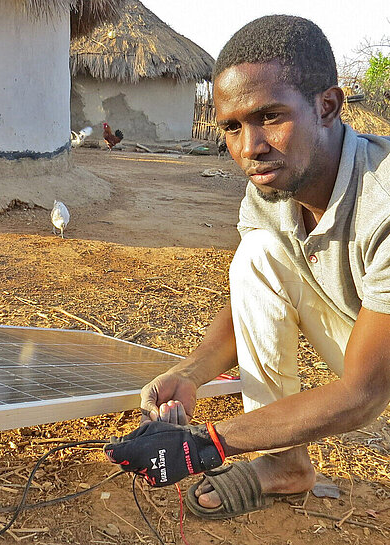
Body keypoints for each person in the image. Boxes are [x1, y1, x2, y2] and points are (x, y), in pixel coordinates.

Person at [104, 14, 390, 519]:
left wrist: (205, 444)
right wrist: (191, 373)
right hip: (369, 338)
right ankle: (284, 464)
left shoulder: (383, 202)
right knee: (257, 255)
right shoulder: (273, 186)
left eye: (270, 117)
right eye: (232, 127)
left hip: (376, 370)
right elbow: (254, 291)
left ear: (328, 106)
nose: (250, 147)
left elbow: (365, 394)